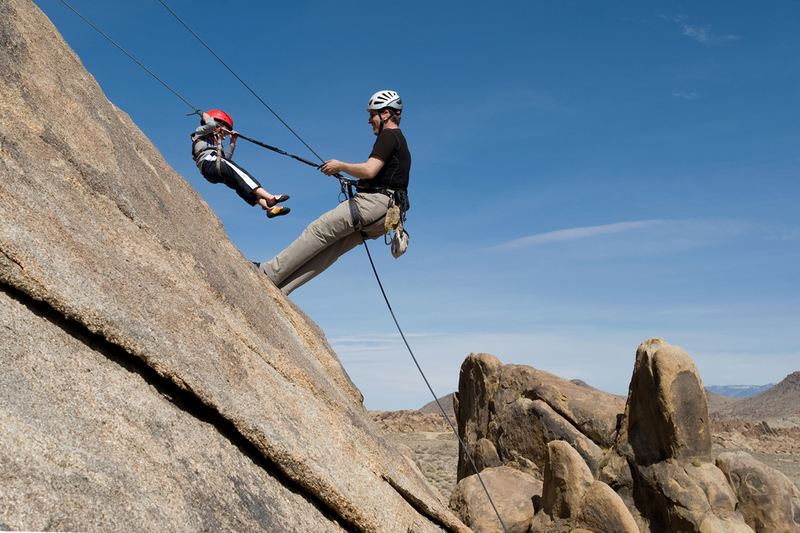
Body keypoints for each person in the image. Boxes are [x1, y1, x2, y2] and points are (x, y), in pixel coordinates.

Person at [256, 90, 411, 295]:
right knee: (332, 249)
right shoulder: (402, 142)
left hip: (373, 206)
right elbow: (382, 178)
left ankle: (267, 272)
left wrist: (340, 165)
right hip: (386, 217)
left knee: (318, 231)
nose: (369, 120)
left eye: (372, 114)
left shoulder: (388, 135)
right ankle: (281, 289)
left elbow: (370, 170)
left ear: (386, 114)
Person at [191, 109, 290, 218]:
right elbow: (210, 125)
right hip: (209, 163)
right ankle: (270, 197)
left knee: (240, 185)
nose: (224, 136)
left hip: (212, 169)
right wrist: (206, 116)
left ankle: (269, 208)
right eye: (225, 131)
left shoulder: (214, 143)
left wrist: (232, 142)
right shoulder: (200, 132)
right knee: (240, 174)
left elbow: (224, 160)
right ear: (218, 125)